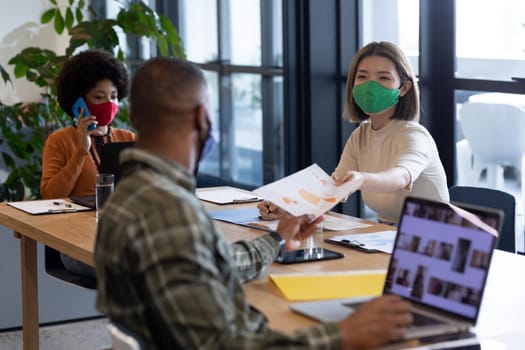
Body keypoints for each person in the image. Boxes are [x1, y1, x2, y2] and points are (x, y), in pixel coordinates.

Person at [94, 57, 412, 349]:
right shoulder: (167, 210)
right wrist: (344, 335)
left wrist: (276, 240)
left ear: (133, 117)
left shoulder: (129, 196)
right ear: (202, 117)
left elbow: (206, 266)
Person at [259, 41, 448, 225]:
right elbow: (335, 187)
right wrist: (288, 206)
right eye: (363, 77)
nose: (371, 86)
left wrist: (362, 180)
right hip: (384, 231)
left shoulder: (414, 136)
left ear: (404, 88)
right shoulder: (360, 136)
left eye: (384, 77)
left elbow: (400, 177)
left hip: (435, 236)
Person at [41, 49, 136, 277]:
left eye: (113, 96)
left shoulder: (129, 139)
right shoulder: (60, 141)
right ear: (79, 102)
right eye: (99, 96)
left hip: (121, 237)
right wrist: (81, 151)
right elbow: (50, 196)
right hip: (75, 243)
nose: (109, 103)